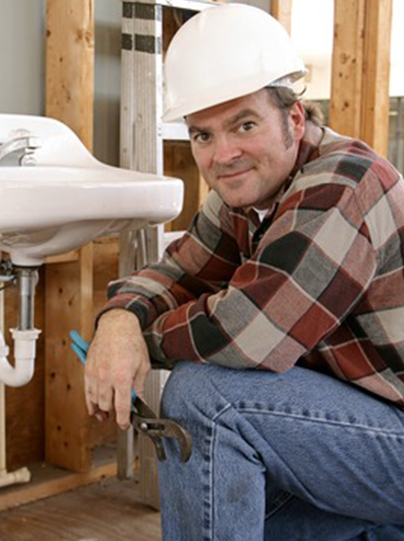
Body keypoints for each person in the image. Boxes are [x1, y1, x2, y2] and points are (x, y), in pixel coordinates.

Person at [84, 3, 404, 540]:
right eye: (203, 135)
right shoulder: (246, 192)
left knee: (206, 396)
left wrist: (139, 336)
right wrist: (116, 321)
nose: (223, 154)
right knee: (225, 506)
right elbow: (176, 271)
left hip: (392, 431)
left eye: (244, 125)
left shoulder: (342, 185)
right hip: (363, 423)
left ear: (295, 119)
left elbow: (249, 333)